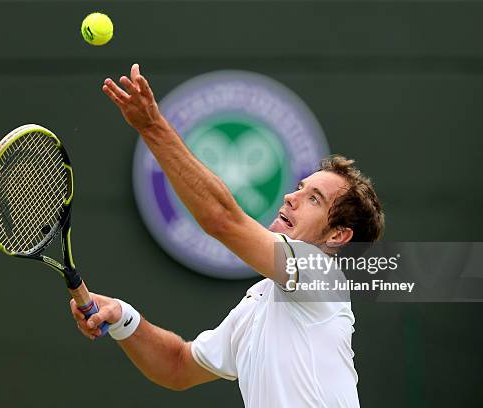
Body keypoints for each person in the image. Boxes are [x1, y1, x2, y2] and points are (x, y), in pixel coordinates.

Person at [70, 64, 384, 408]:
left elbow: (221, 219)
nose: (290, 198)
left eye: (314, 199)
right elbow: (176, 366)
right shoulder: (259, 303)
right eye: (299, 187)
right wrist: (123, 317)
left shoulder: (322, 273)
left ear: (338, 235)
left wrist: (152, 126)